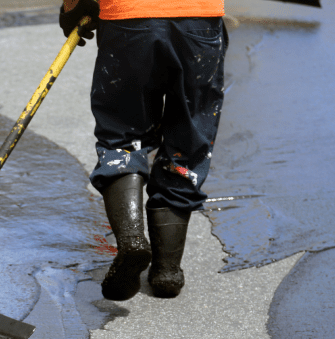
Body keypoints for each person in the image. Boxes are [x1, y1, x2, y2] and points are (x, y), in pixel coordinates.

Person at [59, 0, 228, 301]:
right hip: (199, 20)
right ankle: (167, 270)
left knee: (123, 134)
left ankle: (132, 240)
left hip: (129, 19)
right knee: (189, 138)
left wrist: (73, 4)